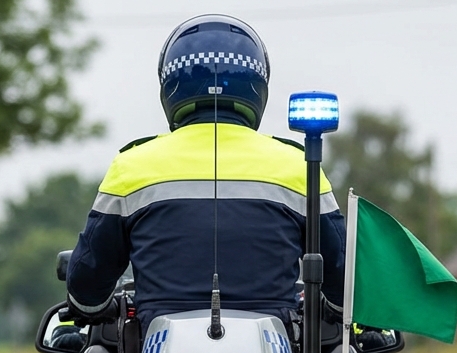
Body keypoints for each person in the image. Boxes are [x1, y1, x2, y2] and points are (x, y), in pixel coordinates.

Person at [63, 14, 347, 336]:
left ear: (171, 85)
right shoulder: (298, 164)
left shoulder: (132, 166)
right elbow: (341, 270)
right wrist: (335, 307)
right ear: (257, 84)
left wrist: (91, 304)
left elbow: (89, 277)